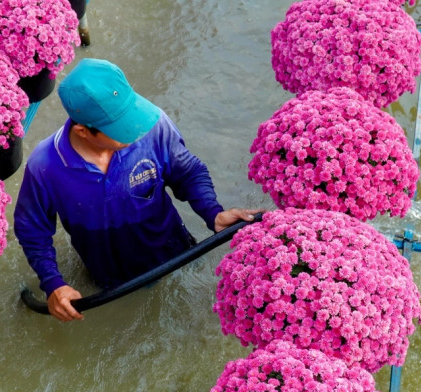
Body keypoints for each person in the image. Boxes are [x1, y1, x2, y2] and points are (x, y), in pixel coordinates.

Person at [14, 58, 260, 322]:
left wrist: (213, 213)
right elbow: (32, 230)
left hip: (177, 253)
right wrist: (54, 284)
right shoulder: (45, 165)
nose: (136, 131)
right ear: (84, 131)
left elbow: (187, 171)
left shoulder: (153, 124)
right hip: (109, 279)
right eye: (122, 129)